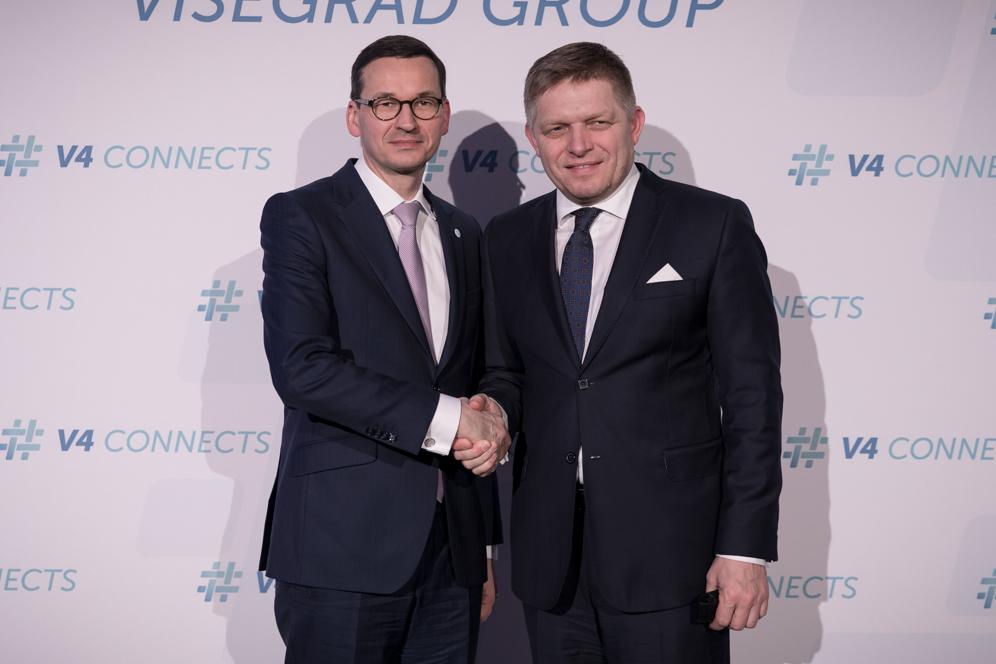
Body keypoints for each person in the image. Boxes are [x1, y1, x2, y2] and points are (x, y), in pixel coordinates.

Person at [473, 42, 783, 663]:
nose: (578, 145)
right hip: (550, 560)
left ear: (634, 123)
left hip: (674, 558)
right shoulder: (506, 237)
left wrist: (743, 547)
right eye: (557, 128)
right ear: (533, 137)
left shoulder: (711, 224)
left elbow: (752, 397)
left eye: (598, 122)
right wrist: (495, 413)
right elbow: (506, 371)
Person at [258, 35, 508, 664]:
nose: (406, 120)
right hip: (340, 550)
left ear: (444, 116)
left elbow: (480, 374)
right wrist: (450, 420)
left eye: (423, 103)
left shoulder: (463, 231)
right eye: (385, 103)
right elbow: (302, 369)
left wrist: (481, 543)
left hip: (452, 556)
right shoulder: (302, 216)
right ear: (355, 116)